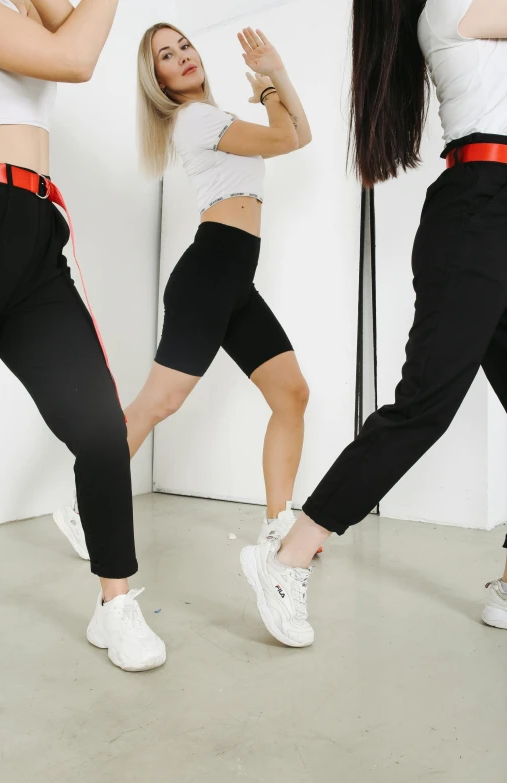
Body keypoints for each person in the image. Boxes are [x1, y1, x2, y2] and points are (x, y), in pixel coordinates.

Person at [240, 0, 507, 647]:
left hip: (492, 213)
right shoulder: (450, 8)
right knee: (424, 408)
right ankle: (287, 557)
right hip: (479, 212)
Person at [53, 22, 316, 559]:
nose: (183, 57)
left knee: (291, 394)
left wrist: (273, 82)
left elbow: (301, 135)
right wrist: (272, 83)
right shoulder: (194, 119)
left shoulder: (215, 116)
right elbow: (288, 136)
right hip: (208, 276)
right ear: (159, 80)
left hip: (234, 278)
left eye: (185, 46)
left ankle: (276, 528)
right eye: (167, 56)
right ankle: (82, 505)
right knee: (159, 402)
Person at [0, 0, 165, 671]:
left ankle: (114, 604)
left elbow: (69, 24)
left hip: (32, 230)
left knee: (98, 428)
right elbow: (75, 57)